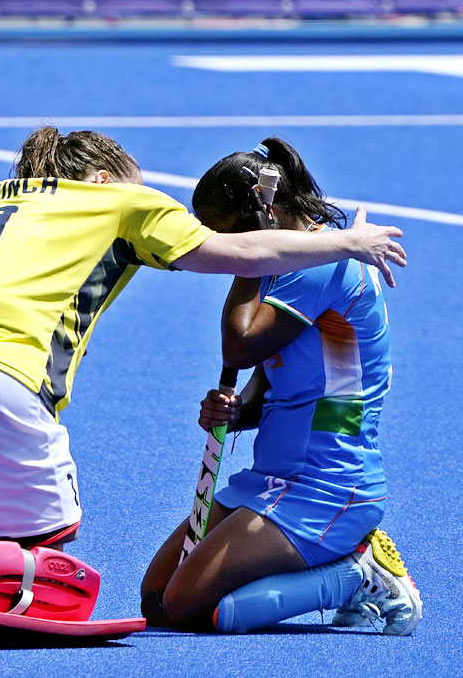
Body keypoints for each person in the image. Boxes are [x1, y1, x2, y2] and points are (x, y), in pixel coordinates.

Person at [0, 127, 404, 547]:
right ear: (99, 180)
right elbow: (240, 253)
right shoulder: (122, 201)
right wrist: (348, 244)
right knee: (42, 556)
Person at [139, 137, 422, 636]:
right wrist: (239, 410)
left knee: (189, 606)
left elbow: (240, 345)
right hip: (271, 476)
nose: (218, 248)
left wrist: (252, 253)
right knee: (157, 599)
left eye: (224, 234)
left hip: (328, 485)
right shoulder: (292, 262)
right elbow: (275, 371)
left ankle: (355, 576)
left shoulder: (325, 264)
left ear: (258, 218)